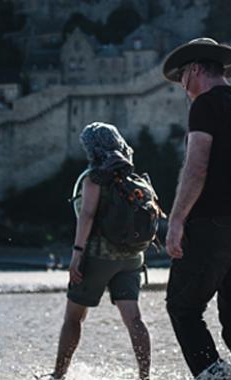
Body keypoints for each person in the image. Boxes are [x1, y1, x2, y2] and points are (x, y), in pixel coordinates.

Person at [162, 38, 231, 378]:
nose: (181, 85)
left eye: (181, 77)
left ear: (194, 70)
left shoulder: (206, 105)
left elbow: (196, 168)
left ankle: (215, 376)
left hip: (213, 221)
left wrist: (176, 220)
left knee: (182, 306)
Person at [45, 122, 151, 380]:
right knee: (134, 319)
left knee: (73, 318)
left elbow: (87, 215)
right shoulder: (133, 177)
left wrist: (77, 254)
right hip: (132, 258)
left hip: (97, 257)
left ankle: (58, 375)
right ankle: (145, 376)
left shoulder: (95, 177)